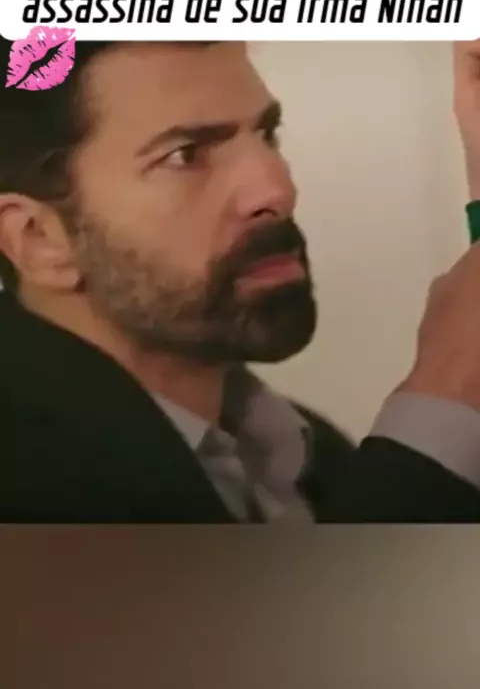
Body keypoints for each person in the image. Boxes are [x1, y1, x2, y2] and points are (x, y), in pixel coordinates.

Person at [1, 37, 480, 523]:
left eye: (267, 133)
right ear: (38, 239)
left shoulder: (305, 456)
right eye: (185, 155)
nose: (277, 190)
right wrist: (442, 401)